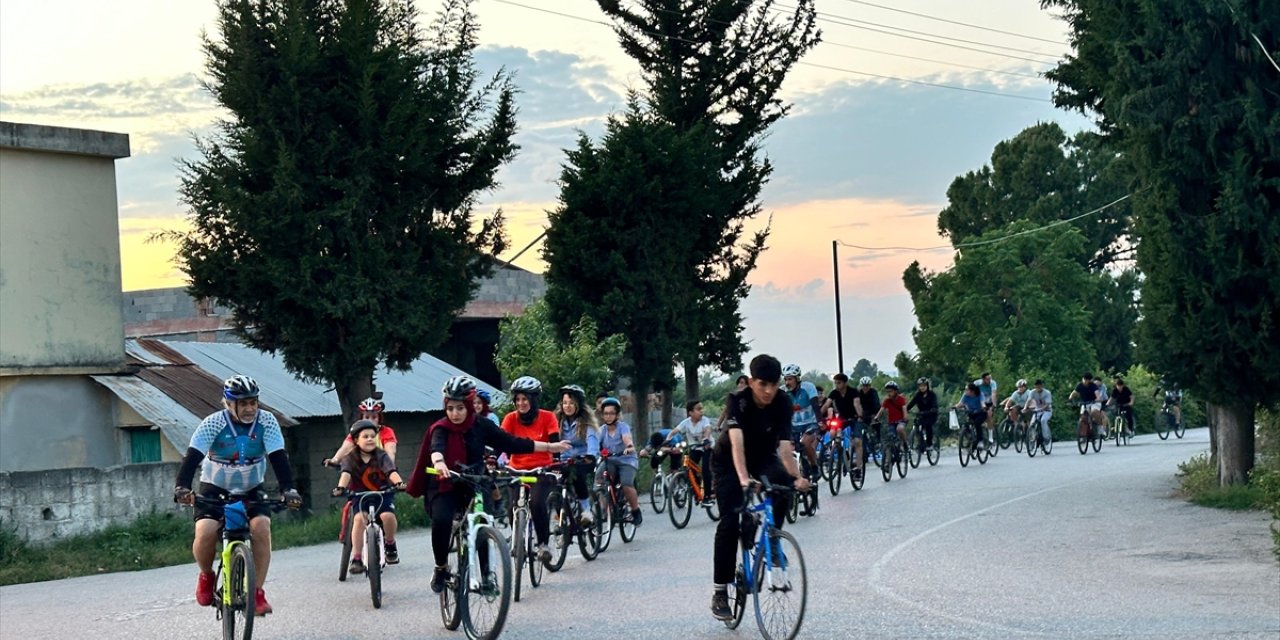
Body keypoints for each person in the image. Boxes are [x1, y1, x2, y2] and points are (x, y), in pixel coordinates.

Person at [404, 375, 570, 594]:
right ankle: (441, 567)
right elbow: (436, 448)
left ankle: (487, 577)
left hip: (475, 480)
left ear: (470, 407)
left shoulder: (481, 425)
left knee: (482, 522)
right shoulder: (440, 427)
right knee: (442, 520)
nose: (455, 413)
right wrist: (439, 462)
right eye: (451, 408)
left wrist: (550, 448)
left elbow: (513, 442)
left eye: (460, 408)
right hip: (446, 482)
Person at [173, 375, 302, 616]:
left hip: (251, 489)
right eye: (243, 403)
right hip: (214, 487)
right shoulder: (213, 423)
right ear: (229, 404)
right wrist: (181, 486)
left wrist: (289, 489)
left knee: (262, 528)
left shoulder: (267, 422)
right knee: (205, 532)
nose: (250, 408)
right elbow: (192, 458)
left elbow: (279, 459)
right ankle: (207, 575)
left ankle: (256, 592)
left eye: (253, 402)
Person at [710, 355, 811, 621]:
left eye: (774, 385)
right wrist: (744, 479)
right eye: (763, 384)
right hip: (729, 462)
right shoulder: (738, 401)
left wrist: (796, 477)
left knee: (783, 489)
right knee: (730, 523)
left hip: (764, 458)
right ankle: (720, 591)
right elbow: (736, 443)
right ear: (752, 381)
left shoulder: (782, 402)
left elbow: (785, 446)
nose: (768, 391)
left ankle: (773, 539)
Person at [500, 376, 563, 562]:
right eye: (518, 399)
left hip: (540, 470)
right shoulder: (510, 418)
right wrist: (492, 459)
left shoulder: (547, 416)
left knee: (536, 504)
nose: (521, 403)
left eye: (525, 399)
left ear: (534, 399)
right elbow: (501, 441)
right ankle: (517, 538)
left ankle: (543, 544)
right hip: (516, 470)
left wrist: (557, 463)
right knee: (512, 507)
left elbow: (554, 441)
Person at [331, 420, 406, 574]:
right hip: (360, 495)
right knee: (359, 519)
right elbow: (346, 474)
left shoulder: (381, 455)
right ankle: (357, 557)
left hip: (382, 493)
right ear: (356, 441)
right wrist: (341, 488)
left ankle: (390, 544)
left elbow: (390, 471)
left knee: (388, 516)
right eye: (365, 436)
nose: (370, 439)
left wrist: (399, 483)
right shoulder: (350, 457)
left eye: (373, 436)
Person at [556, 384, 598, 525]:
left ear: (578, 404)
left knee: (577, 474)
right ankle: (561, 518)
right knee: (551, 481)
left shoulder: (586, 422)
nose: (567, 406)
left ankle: (586, 510)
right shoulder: (556, 420)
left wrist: (590, 455)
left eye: (571, 403)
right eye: (565, 403)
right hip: (563, 459)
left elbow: (591, 438)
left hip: (583, 459)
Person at [597, 396, 643, 524]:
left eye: (612, 413)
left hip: (627, 459)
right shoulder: (601, 430)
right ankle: (602, 510)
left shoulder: (623, 427)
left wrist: (629, 446)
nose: (608, 416)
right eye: (606, 414)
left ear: (617, 414)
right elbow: (595, 445)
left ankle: (635, 511)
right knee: (599, 480)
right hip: (610, 460)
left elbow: (627, 439)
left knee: (626, 483)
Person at [664, 399, 715, 504]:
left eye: (702, 409)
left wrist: (706, 439)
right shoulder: (686, 423)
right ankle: (697, 492)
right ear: (690, 413)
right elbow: (674, 431)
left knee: (705, 470)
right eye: (698, 409)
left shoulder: (704, 420)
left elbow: (708, 429)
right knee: (690, 468)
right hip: (695, 448)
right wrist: (667, 440)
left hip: (706, 447)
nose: (702, 411)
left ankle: (708, 496)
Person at [323, 397, 397, 467]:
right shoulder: (356, 431)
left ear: (379, 418)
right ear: (361, 418)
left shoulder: (386, 431)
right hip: (359, 472)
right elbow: (345, 448)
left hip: (381, 471)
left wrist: (389, 466)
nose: (370, 421)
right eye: (367, 417)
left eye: (374, 417)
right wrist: (335, 460)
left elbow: (390, 452)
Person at [822, 373, 865, 479]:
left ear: (845, 383)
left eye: (839, 383)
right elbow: (827, 404)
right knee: (833, 433)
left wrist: (860, 416)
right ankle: (839, 452)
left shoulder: (853, 392)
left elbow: (857, 404)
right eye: (835, 383)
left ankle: (859, 468)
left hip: (854, 418)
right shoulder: (834, 393)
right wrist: (818, 416)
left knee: (857, 441)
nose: (837, 385)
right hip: (842, 418)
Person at [781, 364, 820, 472]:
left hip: (810, 422)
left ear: (797, 379)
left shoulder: (808, 387)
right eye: (785, 379)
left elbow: (815, 405)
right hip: (793, 425)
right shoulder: (782, 391)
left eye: (790, 379)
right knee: (789, 447)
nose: (787, 382)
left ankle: (814, 466)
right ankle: (799, 466)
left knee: (805, 444)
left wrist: (820, 421)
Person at [870, 381, 910, 451]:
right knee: (891, 436)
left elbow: (904, 408)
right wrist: (876, 418)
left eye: (890, 391)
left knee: (899, 429)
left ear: (895, 391)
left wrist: (905, 416)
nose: (889, 393)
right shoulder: (887, 401)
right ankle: (891, 456)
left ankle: (905, 442)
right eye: (887, 392)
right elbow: (881, 410)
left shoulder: (901, 399)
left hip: (901, 421)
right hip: (891, 422)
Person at [906, 377, 939, 451]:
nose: (922, 388)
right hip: (922, 414)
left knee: (928, 426)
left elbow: (935, 404)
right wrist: (905, 410)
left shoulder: (932, 394)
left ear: (927, 386)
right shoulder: (918, 395)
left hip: (931, 414)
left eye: (924, 386)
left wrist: (933, 409)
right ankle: (920, 443)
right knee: (917, 426)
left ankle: (929, 444)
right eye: (921, 386)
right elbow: (911, 403)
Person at [1068, 372, 1105, 437]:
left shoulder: (1093, 386)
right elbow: (1074, 393)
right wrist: (1070, 399)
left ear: (1089, 380)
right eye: (1084, 379)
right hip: (1085, 403)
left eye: (1087, 380)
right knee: (1083, 416)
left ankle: (1100, 427)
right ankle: (1083, 434)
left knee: (1094, 412)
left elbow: (1097, 395)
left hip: (1094, 402)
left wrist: (1097, 399)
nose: (1085, 381)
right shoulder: (1080, 385)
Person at [953, 383, 988, 447]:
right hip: (971, 413)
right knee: (966, 425)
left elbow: (982, 402)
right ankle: (971, 438)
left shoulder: (979, 394)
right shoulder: (965, 395)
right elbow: (961, 403)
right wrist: (955, 406)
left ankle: (980, 441)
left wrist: (983, 406)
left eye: (967, 389)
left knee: (977, 423)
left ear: (972, 391)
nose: (965, 391)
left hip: (981, 413)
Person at [1023, 379, 1054, 446]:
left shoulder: (1047, 393)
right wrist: (1025, 408)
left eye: (1039, 387)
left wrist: (1042, 409)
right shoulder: (1032, 392)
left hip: (1047, 410)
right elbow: (1028, 401)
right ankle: (1032, 440)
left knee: (1043, 420)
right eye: (1036, 387)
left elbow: (1048, 404)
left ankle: (1046, 437)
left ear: (1042, 386)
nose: (1038, 388)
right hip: (1037, 410)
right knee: (1032, 423)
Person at [974, 372, 999, 440]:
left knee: (989, 415)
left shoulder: (993, 383)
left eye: (990, 379)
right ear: (983, 379)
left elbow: (993, 394)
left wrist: (994, 405)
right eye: (988, 379)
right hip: (980, 402)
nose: (989, 381)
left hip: (989, 402)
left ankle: (990, 437)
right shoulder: (977, 383)